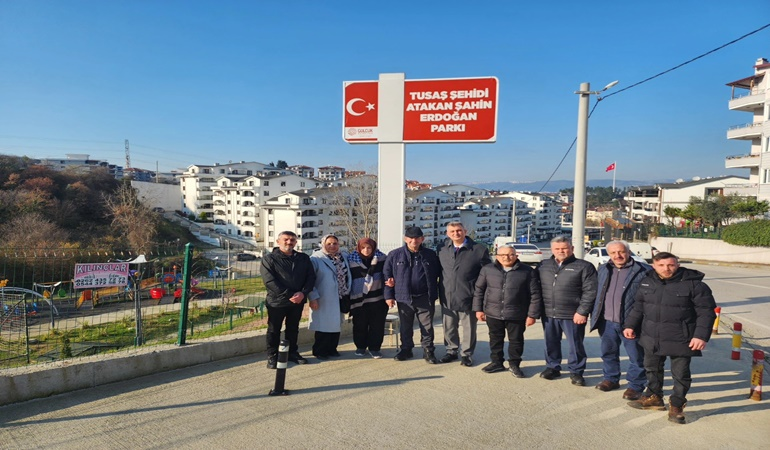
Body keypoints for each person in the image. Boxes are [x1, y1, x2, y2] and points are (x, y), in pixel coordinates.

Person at [623, 252, 717, 424]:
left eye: (671, 265)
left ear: (677, 265)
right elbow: (638, 307)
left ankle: (677, 405)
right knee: (652, 369)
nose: (666, 269)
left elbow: (706, 313)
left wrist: (700, 336)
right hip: (651, 336)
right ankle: (654, 398)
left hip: (681, 337)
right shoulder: (646, 281)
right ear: (654, 265)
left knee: (680, 374)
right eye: (661, 265)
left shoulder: (694, 285)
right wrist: (629, 325)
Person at [590, 240, 650, 400]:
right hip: (607, 321)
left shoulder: (643, 270)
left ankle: (635, 386)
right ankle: (611, 379)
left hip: (631, 323)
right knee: (608, 353)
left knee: (636, 356)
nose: (618, 255)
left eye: (621, 252)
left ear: (628, 252)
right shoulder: (603, 269)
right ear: (609, 254)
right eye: (613, 253)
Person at [537, 235, 597, 386]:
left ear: (572, 249)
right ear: (552, 250)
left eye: (564, 248)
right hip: (549, 312)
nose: (561, 251)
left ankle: (576, 371)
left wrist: (582, 311)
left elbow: (590, 291)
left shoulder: (584, 266)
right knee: (550, 342)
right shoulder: (544, 265)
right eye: (557, 248)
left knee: (575, 344)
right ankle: (552, 367)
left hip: (573, 314)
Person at [473, 245, 541, 377]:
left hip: (517, 313)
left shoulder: (527, 271)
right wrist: (478, 309)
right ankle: (497, 362)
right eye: (502, 255)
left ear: (516, 256)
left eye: (510, 255)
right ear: (497, 256)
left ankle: (514, 364)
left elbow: (535, 294)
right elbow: (479, 290)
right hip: (493, 312)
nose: (506, 257)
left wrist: (532, 315)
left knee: (516, 340)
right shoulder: (488, 269)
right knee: (495, 339)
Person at [383, 226, 441, 364]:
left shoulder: (430, 254)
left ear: (422, 239)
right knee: (405, 326)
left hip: (425, 297)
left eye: (417, 238)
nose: (414, 240)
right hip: (404, 298)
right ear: (405, 239)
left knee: (427, 326)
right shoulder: (394, 255)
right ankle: (406, 349)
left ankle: (428, 351)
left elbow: (439, 274)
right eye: (411, 238)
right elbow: (387, 276)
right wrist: (389, 296)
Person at [436, 222, 491, 367]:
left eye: (459, 230)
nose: (456, 233)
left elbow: (487, 273)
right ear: (447, 233)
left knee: (469, 328)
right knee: (449, 327)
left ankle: (466, 354)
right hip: (447, 295)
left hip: (468, 296)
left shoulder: (478, 249)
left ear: (465, 231)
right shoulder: (441, 249)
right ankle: (451, 351)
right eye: (452, 231)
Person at [260, 231, 316, 369]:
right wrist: (289, 295)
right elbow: (270, 281)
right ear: (278, 241)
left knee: (293, 328)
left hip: (298, 301)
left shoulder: (303, 258)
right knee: (274, 329)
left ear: (296, 242)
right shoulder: (269, 259)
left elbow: (311, 277)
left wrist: (303, 293)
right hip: (277, 302)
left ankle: (292, 353)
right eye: (286, 239)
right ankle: (272, 356)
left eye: (292, 240)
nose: (289, 242)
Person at [309, 234, 352, 360]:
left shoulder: (343, 256)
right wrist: (313, 297)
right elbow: (309, 280)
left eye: (335, 243)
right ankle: (320, 350)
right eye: (329, 244)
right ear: (323, 244)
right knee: (323, 325)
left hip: (340, 295)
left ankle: (332, 349)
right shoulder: (316, 259)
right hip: (323, 297)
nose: (332, 246)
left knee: (336, 324)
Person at [348, 237, 388, 358]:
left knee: (377, 325)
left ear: (373, 248)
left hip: (378, 298)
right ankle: (360, 347)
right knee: (360, 325)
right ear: (359, 248)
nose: (366, 250)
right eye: (363, 247)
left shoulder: (382, 259)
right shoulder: (350, 260)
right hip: (358, 300)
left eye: (369, 247)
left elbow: (387, 274)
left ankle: (375, 348)